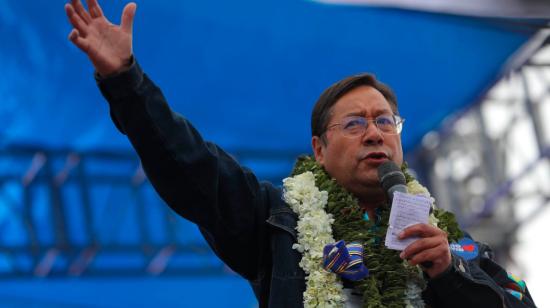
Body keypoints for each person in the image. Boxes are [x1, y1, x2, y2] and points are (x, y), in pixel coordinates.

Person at [64, 1, 536, 307]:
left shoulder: (453, 243)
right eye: (354, 123)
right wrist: (126, 80)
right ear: (319, 148)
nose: (374, 133)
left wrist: (450, 273)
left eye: (385, 120)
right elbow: (188, 165)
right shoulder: (275, 219)